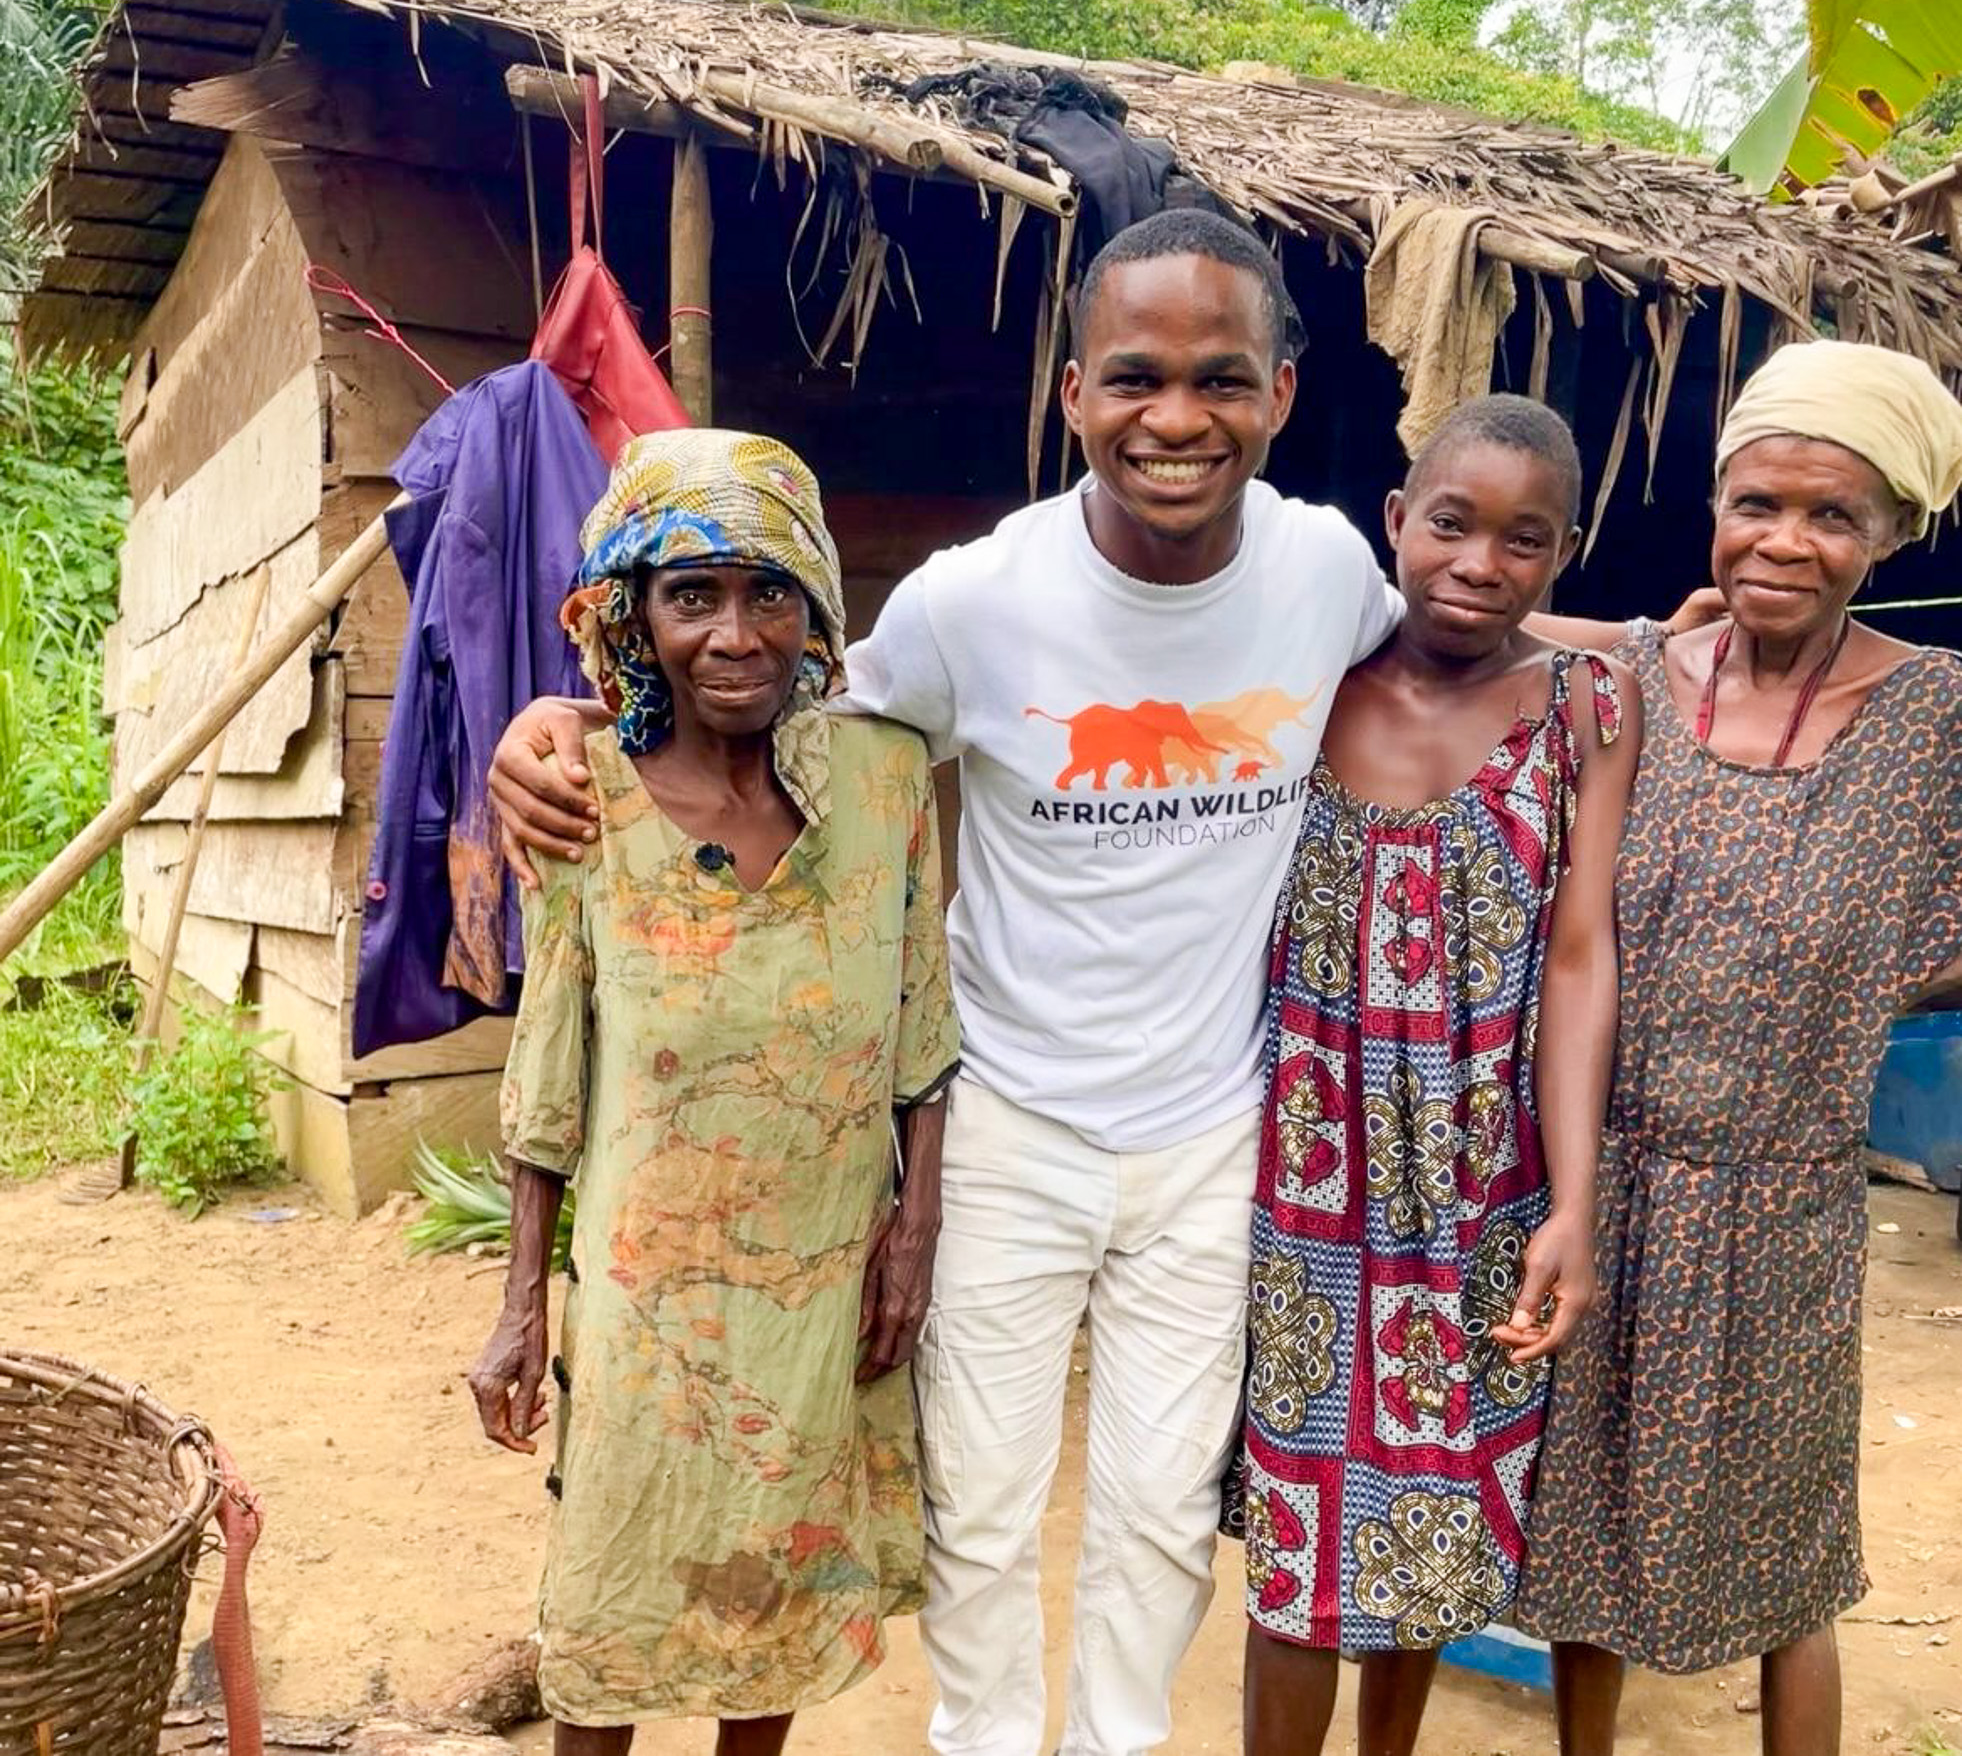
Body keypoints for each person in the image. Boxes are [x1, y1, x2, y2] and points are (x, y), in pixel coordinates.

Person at [488, 209, 1407, 1756]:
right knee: (977, 1506)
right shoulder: (969, 605)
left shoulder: (1326, 569)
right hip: (1003, 1124)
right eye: (1132, 378)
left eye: (1218, 380)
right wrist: (549, 722)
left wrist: (1664, 637)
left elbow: (1464, 642)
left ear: (1280, 394)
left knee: (1162, 1507)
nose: (1173, 418)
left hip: (1209, 1128)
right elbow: (753, 687)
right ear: (1070, 397)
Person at [467, 429, 961, 1754]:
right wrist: (521, 1305)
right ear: (635, 616)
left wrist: (910, 1236)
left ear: (814, 611)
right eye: (692, 597)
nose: (735, 634)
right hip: (648, 1307)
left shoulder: (882, 780)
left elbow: (922, 1025)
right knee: (610, 1619)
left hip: (822, 1285)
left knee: (775, 1599)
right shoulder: (588, 806)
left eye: (769, 592)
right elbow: (550, 1077)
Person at [1513, 341, 1962, 1756]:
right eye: (1757, 503)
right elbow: (1462, 627)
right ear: (1716, 506)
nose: (1785, 541)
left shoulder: (1932, 714)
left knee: (1786, 1558)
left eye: (1832, 517)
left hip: (1784, 1198)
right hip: (1602, 1178)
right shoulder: (1629, 676)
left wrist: (1852, 989)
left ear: (1892, 537)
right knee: (1575, 1538)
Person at [1233, 396, 1639, 1756]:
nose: (1479, 563)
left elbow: (1580, 957)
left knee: (1423, 1526)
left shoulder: (1585, 708)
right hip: (1300, 1186)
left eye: (1523, 540)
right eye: (1450, 524)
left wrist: (1567, 1209)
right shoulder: (1305, 679)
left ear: (1561, 554)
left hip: (1479, 1193)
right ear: (1395, 524)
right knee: (1296, 1550)